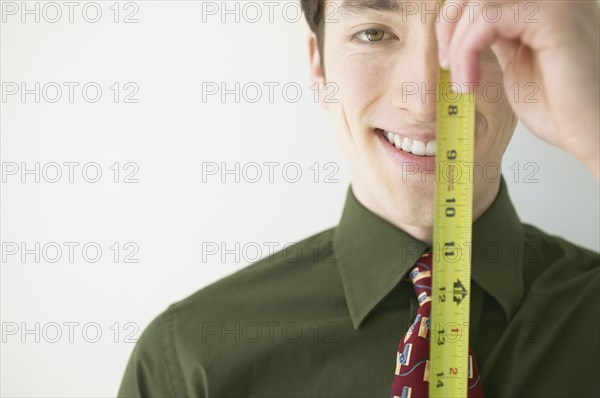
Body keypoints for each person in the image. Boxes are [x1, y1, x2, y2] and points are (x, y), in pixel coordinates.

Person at [117, 0, 599, 396]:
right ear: (318, 67)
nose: (426, 98)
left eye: (475, 33)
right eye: (373, 33)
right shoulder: (187, 359)